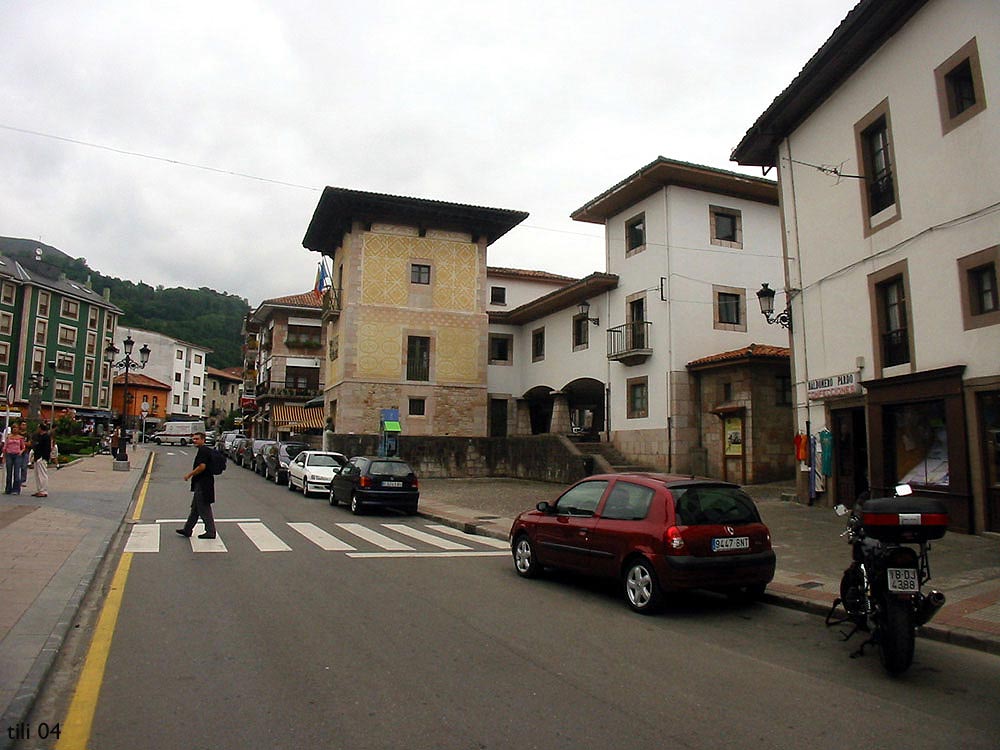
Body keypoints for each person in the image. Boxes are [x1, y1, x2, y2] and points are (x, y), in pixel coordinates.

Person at [177, 432, 216, 539]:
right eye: (193, 439)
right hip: (203, 483)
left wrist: (189, 474)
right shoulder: (205, 450)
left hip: (203, 484)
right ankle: (187, 529)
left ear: (203, 440)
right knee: (195, 508)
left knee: (204, 508)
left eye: (197, 439)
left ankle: (210, 532)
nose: (194, 441)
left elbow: (202, 466)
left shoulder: (203, 451)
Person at [2, 421, 28, 495]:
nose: (15, 430)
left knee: (17, 473)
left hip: (17, 455)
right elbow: (5, 447)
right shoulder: (8, 437)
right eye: (13, 428)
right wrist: (4, 456)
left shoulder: (20, 438)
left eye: (16, 428)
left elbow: (23, 447)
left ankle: (16, 489)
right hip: (9, 454)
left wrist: (21, 452)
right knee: (9, 472)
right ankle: (8, 489)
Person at [31, 422, 52, 497]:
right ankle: (39, 489)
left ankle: (43, 491)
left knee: (42, 474)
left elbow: (47, 449)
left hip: (41, 458)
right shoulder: (39, 436)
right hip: (37, 457)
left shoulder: (46, 437)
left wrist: (44, 457)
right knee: (37, 474)